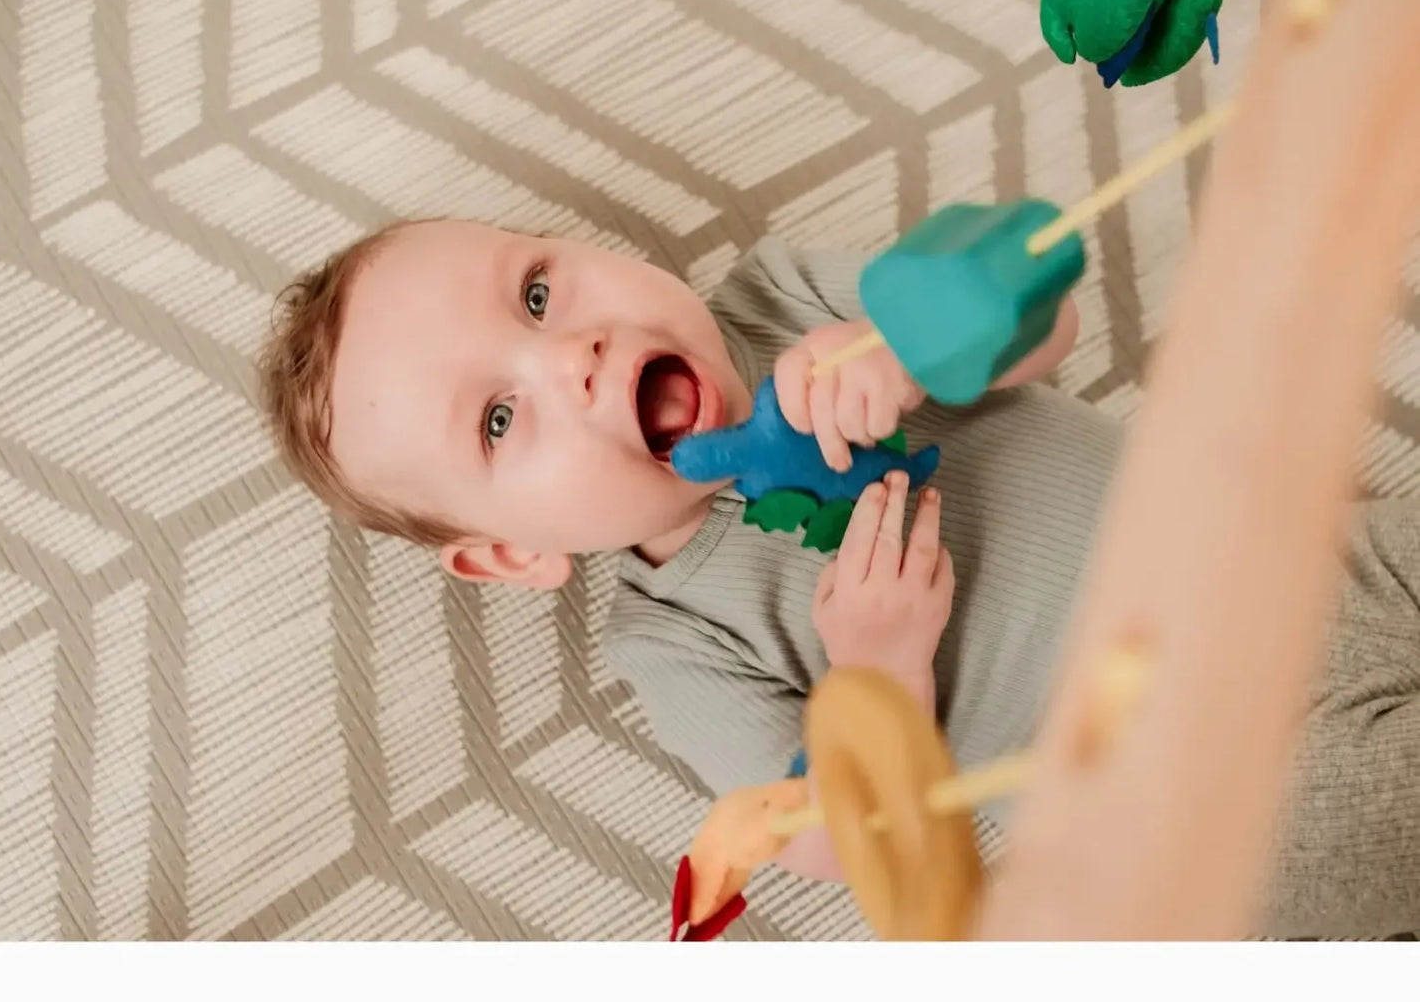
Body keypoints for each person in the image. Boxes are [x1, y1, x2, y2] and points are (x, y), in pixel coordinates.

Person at [259, 216, 1420, 939]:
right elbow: (826, 837)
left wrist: (909, 343)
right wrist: (878, 671)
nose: (573, 355)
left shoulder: (779, 300)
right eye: (501, 416)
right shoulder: (672, 639)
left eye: (535, 292)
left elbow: (1045, 314)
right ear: (513, 554)